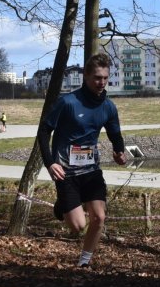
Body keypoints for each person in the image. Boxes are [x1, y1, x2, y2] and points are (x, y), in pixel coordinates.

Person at [38, 53, 126, 268]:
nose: (101, 82)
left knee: (99, 218)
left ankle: (84, 262)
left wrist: (119, 151)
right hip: (66, 172)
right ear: (86, 76)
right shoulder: (67, 102)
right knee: (78, 227)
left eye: (105, 78)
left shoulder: (108, 106)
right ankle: (62, 205)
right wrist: (50, 163)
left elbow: (115, 134)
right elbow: (43, 132)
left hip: (91, 170)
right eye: (97, 77)